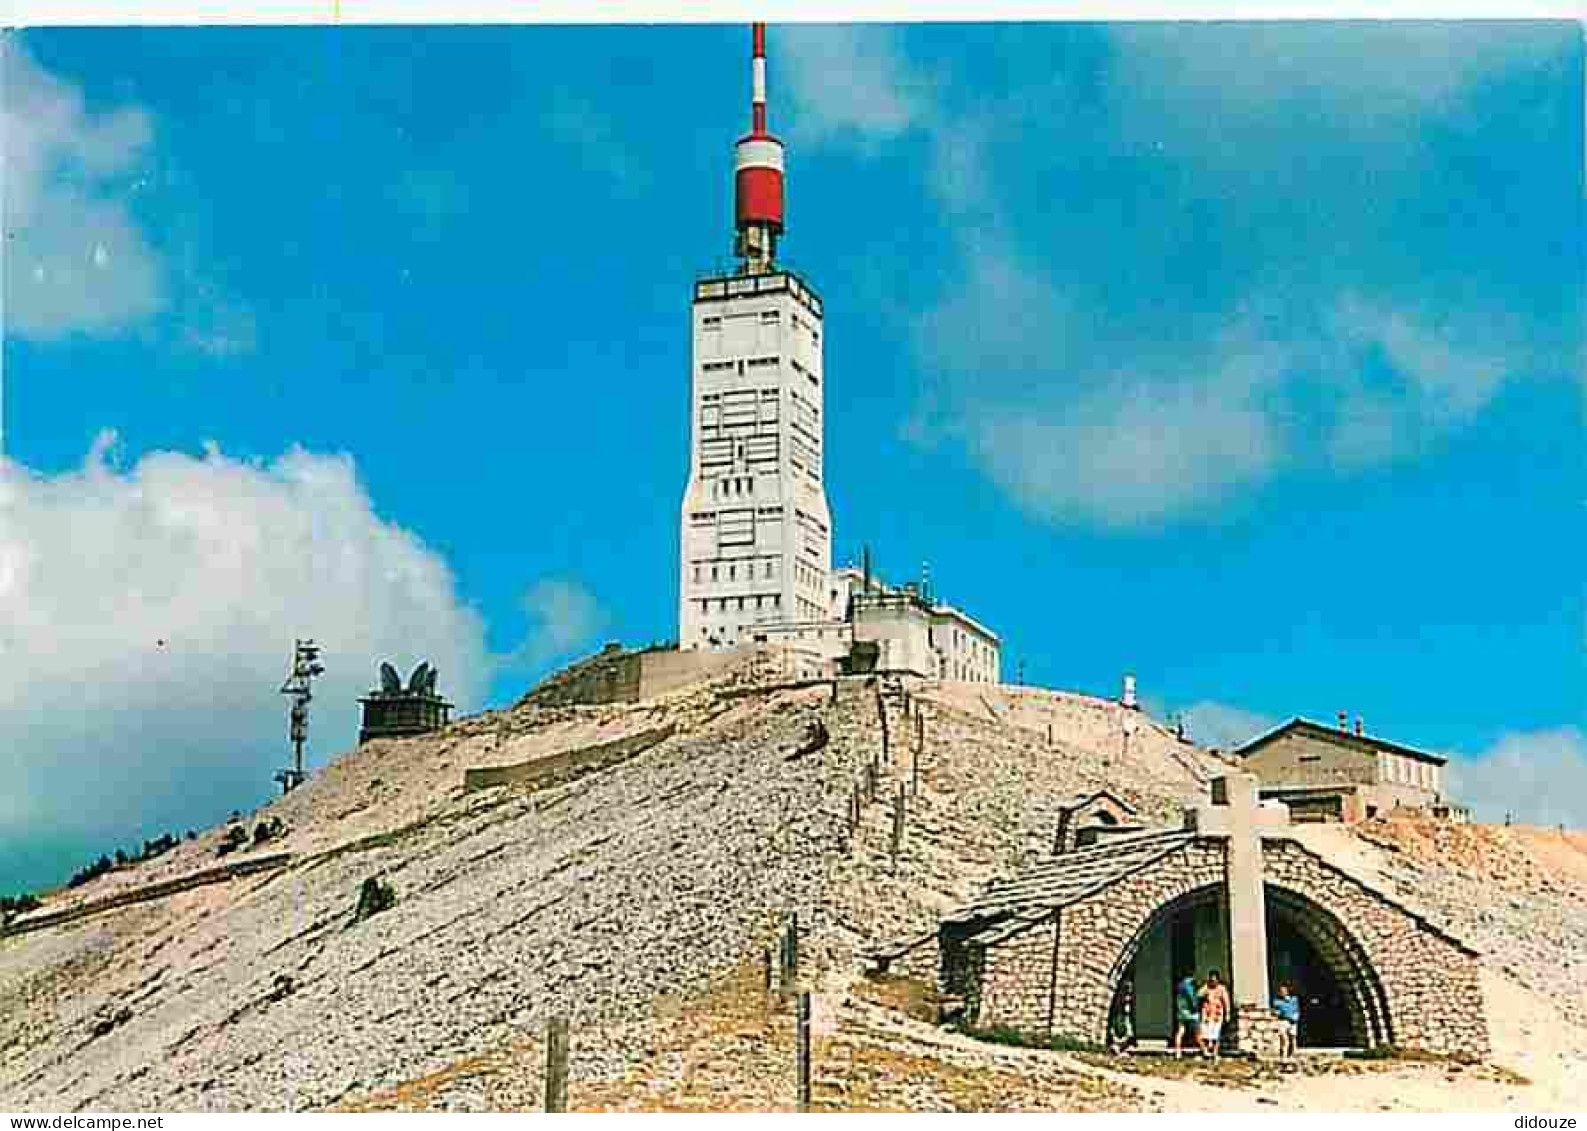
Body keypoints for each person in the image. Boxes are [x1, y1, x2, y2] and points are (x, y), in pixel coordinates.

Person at [1198, 969, 1230, 1060]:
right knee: (1205, 1034)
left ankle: (1215, 1053)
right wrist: (1205, 987)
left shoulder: (1222, 989)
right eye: (1211, 980)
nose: (1213, 982)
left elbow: (1226, 1001)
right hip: (1207, 1014)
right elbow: (1199, 995)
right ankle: (1206, 1052)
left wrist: (1227, 1013)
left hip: (1217, 1014)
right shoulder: (1206, 988)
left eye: (1214, 980)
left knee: (1216, 1035)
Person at [1272, 981, 1301, 1061]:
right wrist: (1276, 1013)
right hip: (1283, 1021)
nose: (1282, 992)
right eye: (1281, 991)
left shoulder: (1294, 999)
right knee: (1284, 1039)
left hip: (1293, 1021)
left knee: (1292, 1039)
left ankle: (1291, 1056)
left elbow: (1296, 1009)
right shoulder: (1277, 1001)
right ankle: (1283, 1056)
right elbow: (1275, 1012)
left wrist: (1296, 1017)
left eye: (1284, 990)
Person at [1173, 974, 1200, 1058]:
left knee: (1180, 1031)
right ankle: (1204, 1050)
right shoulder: (1188, 986)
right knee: (1197, 1032)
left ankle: (1178, 1052)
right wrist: (1195, 1007)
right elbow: (1191, 998)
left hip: (1181, 1012)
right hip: (1190, 1012)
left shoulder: (1179, 987)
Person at [1109, 982, 1137, 1056]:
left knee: (1127, 1027)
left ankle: (1124, 1046)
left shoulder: (1129, 999)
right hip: (1120, 1015)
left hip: (1126, 1016)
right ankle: (1118, 1046)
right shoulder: (1119, 1000)